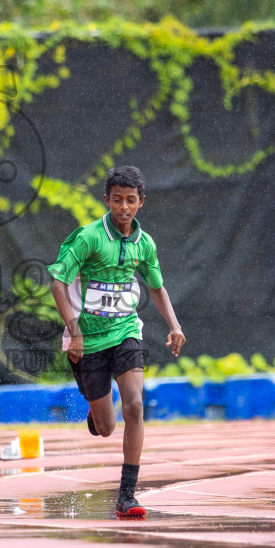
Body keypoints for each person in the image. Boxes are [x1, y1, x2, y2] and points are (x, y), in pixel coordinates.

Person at [48, 165, 185, 520]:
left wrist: (174, 324)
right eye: (118, 200)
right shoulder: (88, 237)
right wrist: (74, 330)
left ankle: (127, 494)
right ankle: (97, 416)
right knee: (107, 428)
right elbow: (57, 284)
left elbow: (156, 287)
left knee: (136, 406)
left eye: (131, 201)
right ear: (107, 200)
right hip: (88, 341)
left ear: (141, 202)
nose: (124, 207)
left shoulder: (145, 243)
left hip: (126, 331)